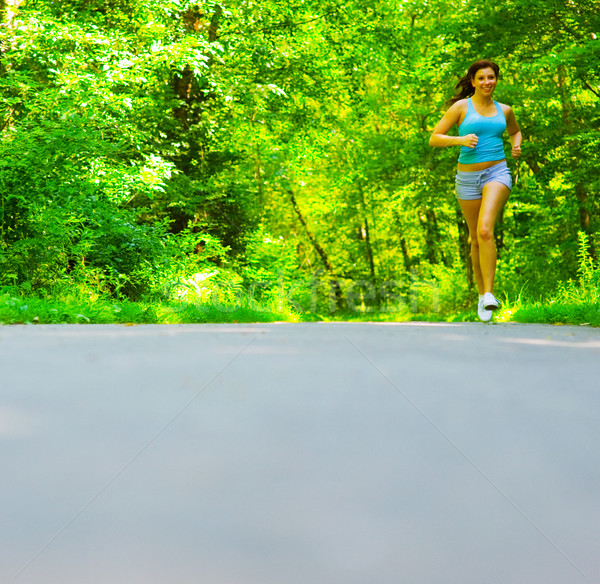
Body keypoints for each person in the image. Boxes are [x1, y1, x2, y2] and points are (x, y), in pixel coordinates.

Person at [429, 59, 522, 322]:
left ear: (496, 79)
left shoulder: (505, 110)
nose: (486, 82)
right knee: (473, 237)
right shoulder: (461, 107)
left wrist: (516, 146)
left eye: (491, 77)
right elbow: (434, 137)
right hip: (467, 178)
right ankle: (482, 296)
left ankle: (490, 293)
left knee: (484, 230)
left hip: (497, 172)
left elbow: (515, 132)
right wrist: (459, 139)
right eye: (481, 78)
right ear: (473, 81)